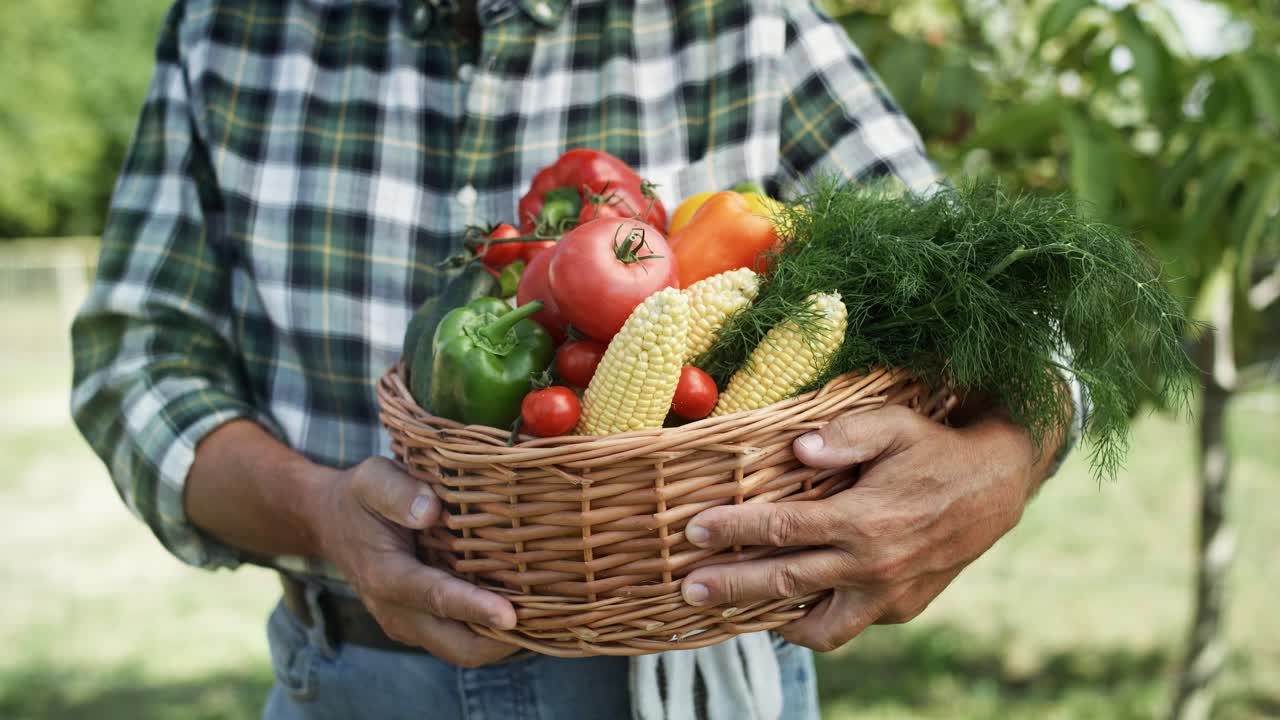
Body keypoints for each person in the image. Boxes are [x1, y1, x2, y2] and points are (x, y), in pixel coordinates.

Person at [71, 1, 1078, 718]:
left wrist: (997, 468)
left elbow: (1003, 308)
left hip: (686, 684)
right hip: (355, 681)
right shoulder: (229, 28)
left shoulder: (740, 18)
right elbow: (135, 361)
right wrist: (321, 515)